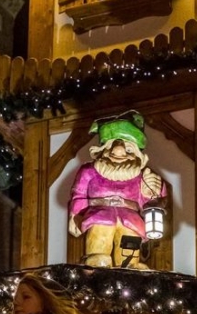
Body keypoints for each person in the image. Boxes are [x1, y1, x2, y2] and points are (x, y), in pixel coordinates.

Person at [68, 112, 166, 269]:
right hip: (99, 215)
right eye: (112, 146)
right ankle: (97, 261)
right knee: (100, 235)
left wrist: (154, 190)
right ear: (104, 149)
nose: (119, 152)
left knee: (129, 246)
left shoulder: (140, 176)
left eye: (127, 149)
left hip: (131, 220)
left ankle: (130, 267)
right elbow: (79, 194)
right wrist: (75, 215)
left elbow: (153, 201)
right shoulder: (89, 171)